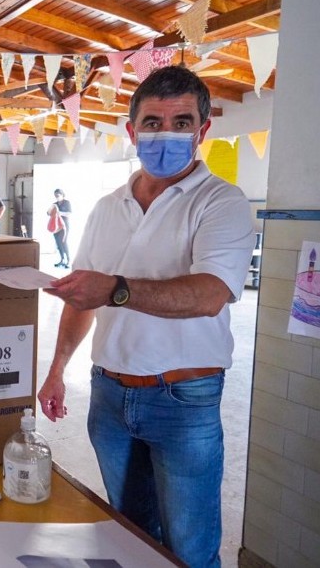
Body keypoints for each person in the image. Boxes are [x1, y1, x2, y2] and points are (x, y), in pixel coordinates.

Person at [37, 66, 255, 568]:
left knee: (190, 546)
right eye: (153, 122)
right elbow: (80, 298)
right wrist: (56, 370)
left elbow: (209, 295)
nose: (167, 133)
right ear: (132, 131)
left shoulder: (221, 202)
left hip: (182, 400)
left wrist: (113, 290)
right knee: (130, 534)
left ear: (202, 130)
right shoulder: (107, 207)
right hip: (109, 394)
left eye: (182, 121)